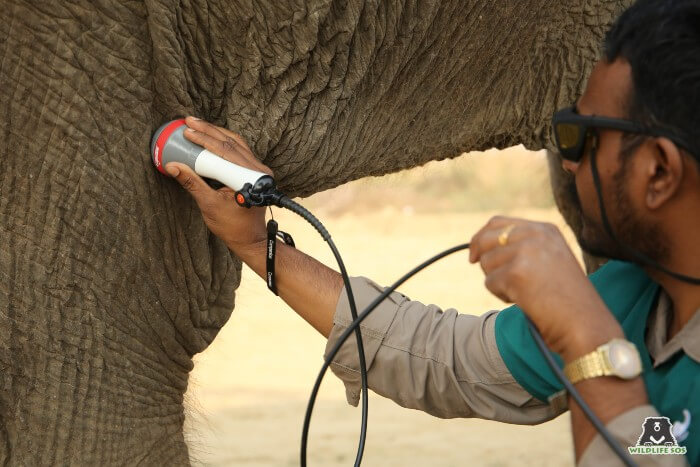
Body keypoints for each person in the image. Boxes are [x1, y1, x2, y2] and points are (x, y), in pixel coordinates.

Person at [163, 0, 698, 464]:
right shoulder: (633, 297)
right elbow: (442, 357)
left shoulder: (598, 322)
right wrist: (258, 245)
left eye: (581, 137)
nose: (570, 162)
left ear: (658, 172)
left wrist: (590, 343)